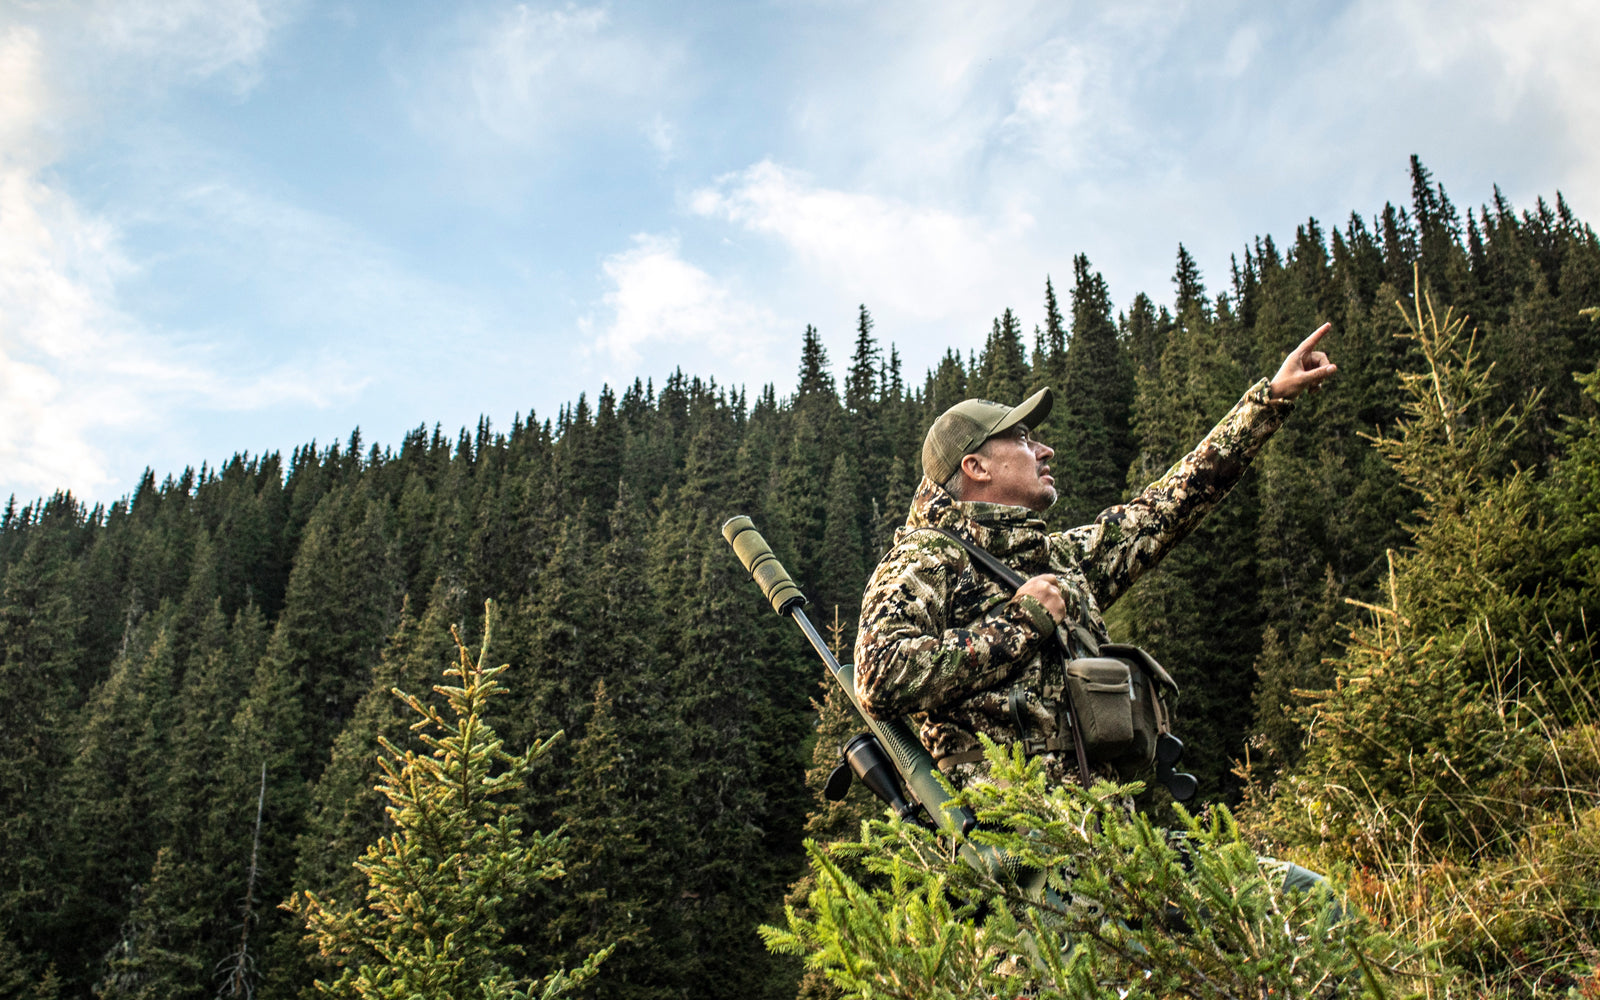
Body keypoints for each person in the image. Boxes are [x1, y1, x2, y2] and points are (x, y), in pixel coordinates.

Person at [853, 324, 1336, 792]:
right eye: (1022, 438)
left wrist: (1271, 398)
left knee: (1300, 882)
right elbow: (878, 675)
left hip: (1102, 827)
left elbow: (1166, 507)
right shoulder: (926, 557)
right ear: (975, 466)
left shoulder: (1056, 558)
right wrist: (1022, 623)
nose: (1046, 450)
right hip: (1013, 842)